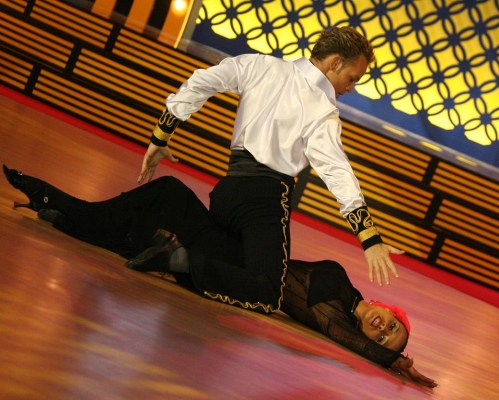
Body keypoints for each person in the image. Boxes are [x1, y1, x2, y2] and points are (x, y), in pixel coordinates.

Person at [3, 165, 436, 388]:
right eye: (392, 327)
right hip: (228, 247)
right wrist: (389, 355)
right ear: (389, 309)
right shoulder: (343, 288)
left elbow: (341, 335)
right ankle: (61, 211)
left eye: (382, 339)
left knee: (147, 218)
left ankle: (56, 205)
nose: (381, 331)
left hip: (225, 262)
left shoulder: (334, 316)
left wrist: (391, 361)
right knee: (164, 195)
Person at [137, 26, 405, 314]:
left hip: (226, 192)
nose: (350, 88)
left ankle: (177, 252)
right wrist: (369, 238)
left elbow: (201, 81)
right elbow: (337, 171)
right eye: (352, 78)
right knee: (267, 292)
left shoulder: (260, 64)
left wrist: (161, 135)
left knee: (234, 262)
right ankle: (175, 258)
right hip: (264, 201)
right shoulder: (322, 108)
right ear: (335, 62)